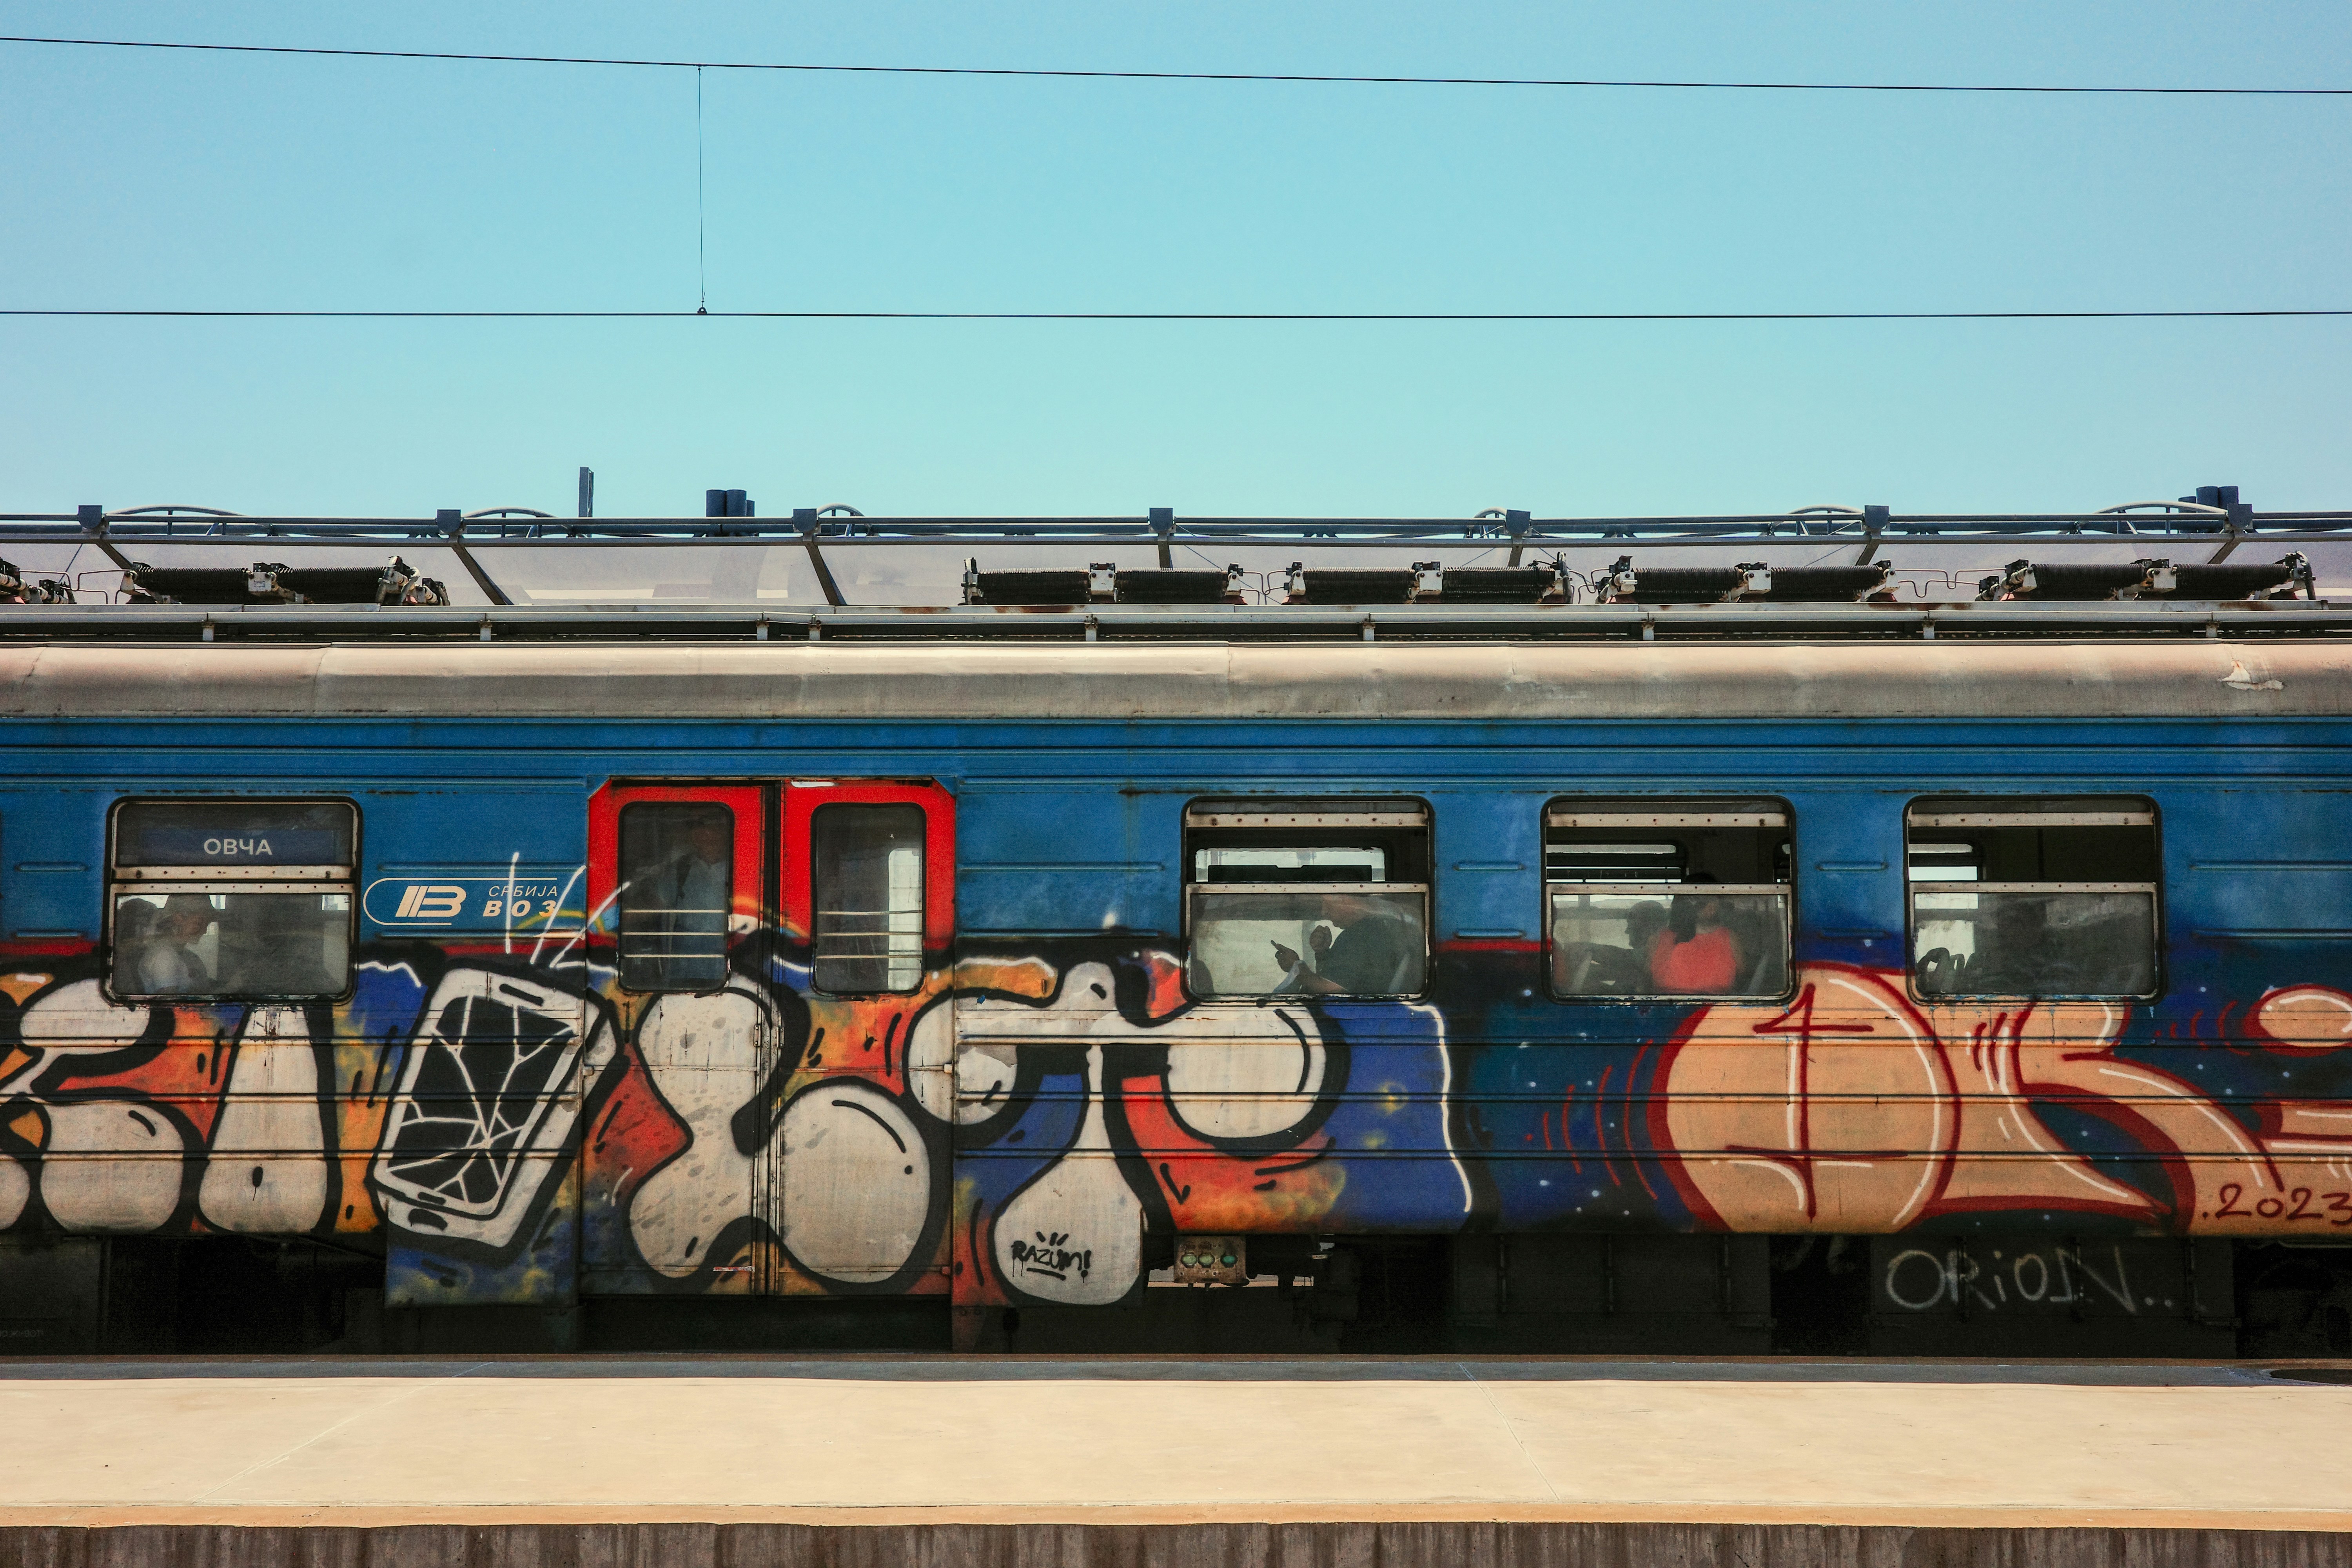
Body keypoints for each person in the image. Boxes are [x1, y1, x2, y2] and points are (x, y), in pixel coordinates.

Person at [1271, 893, 1419, 995]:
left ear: (1345, 900)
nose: (1324, 912)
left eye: (1327, 904)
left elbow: (1336, 992)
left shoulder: (1358, 935)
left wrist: (1296, 968)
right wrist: (1323, 954)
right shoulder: (1384, 927)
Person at [1648, 885, 1743, 993]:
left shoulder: (1730, 938)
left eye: (1714, 899)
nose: (1712, 905)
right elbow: (1645, 986)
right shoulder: (1659, 939)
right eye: (1701, 900)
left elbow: (1742, 982)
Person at [134, 894, 216, 995]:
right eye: (199, 924)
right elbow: (169, 1004)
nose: (204, 931)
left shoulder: (190, 957)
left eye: (207, 924)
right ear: (179, 919)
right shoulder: (164, 956)